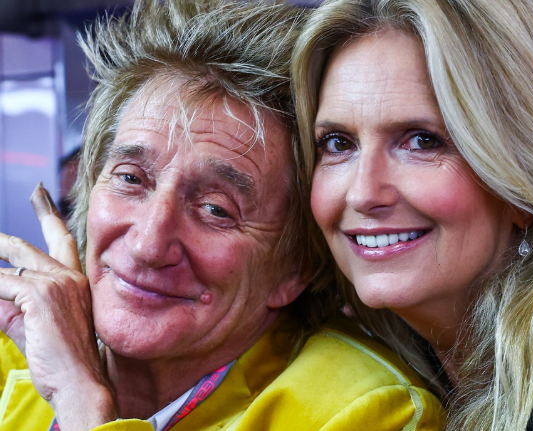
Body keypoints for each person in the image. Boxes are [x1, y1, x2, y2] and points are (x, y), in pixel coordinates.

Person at [0, 0, 446, 430]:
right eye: (131, 179)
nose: (148, 245)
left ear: (296, 267)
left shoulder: (367, 411)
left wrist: (79, 397)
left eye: (216, 210)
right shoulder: (14, 349)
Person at [292, 0, 533, 429]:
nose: (363, 193)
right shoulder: (375, 369)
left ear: (525, 185)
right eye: (338, 143)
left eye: (422, 141)